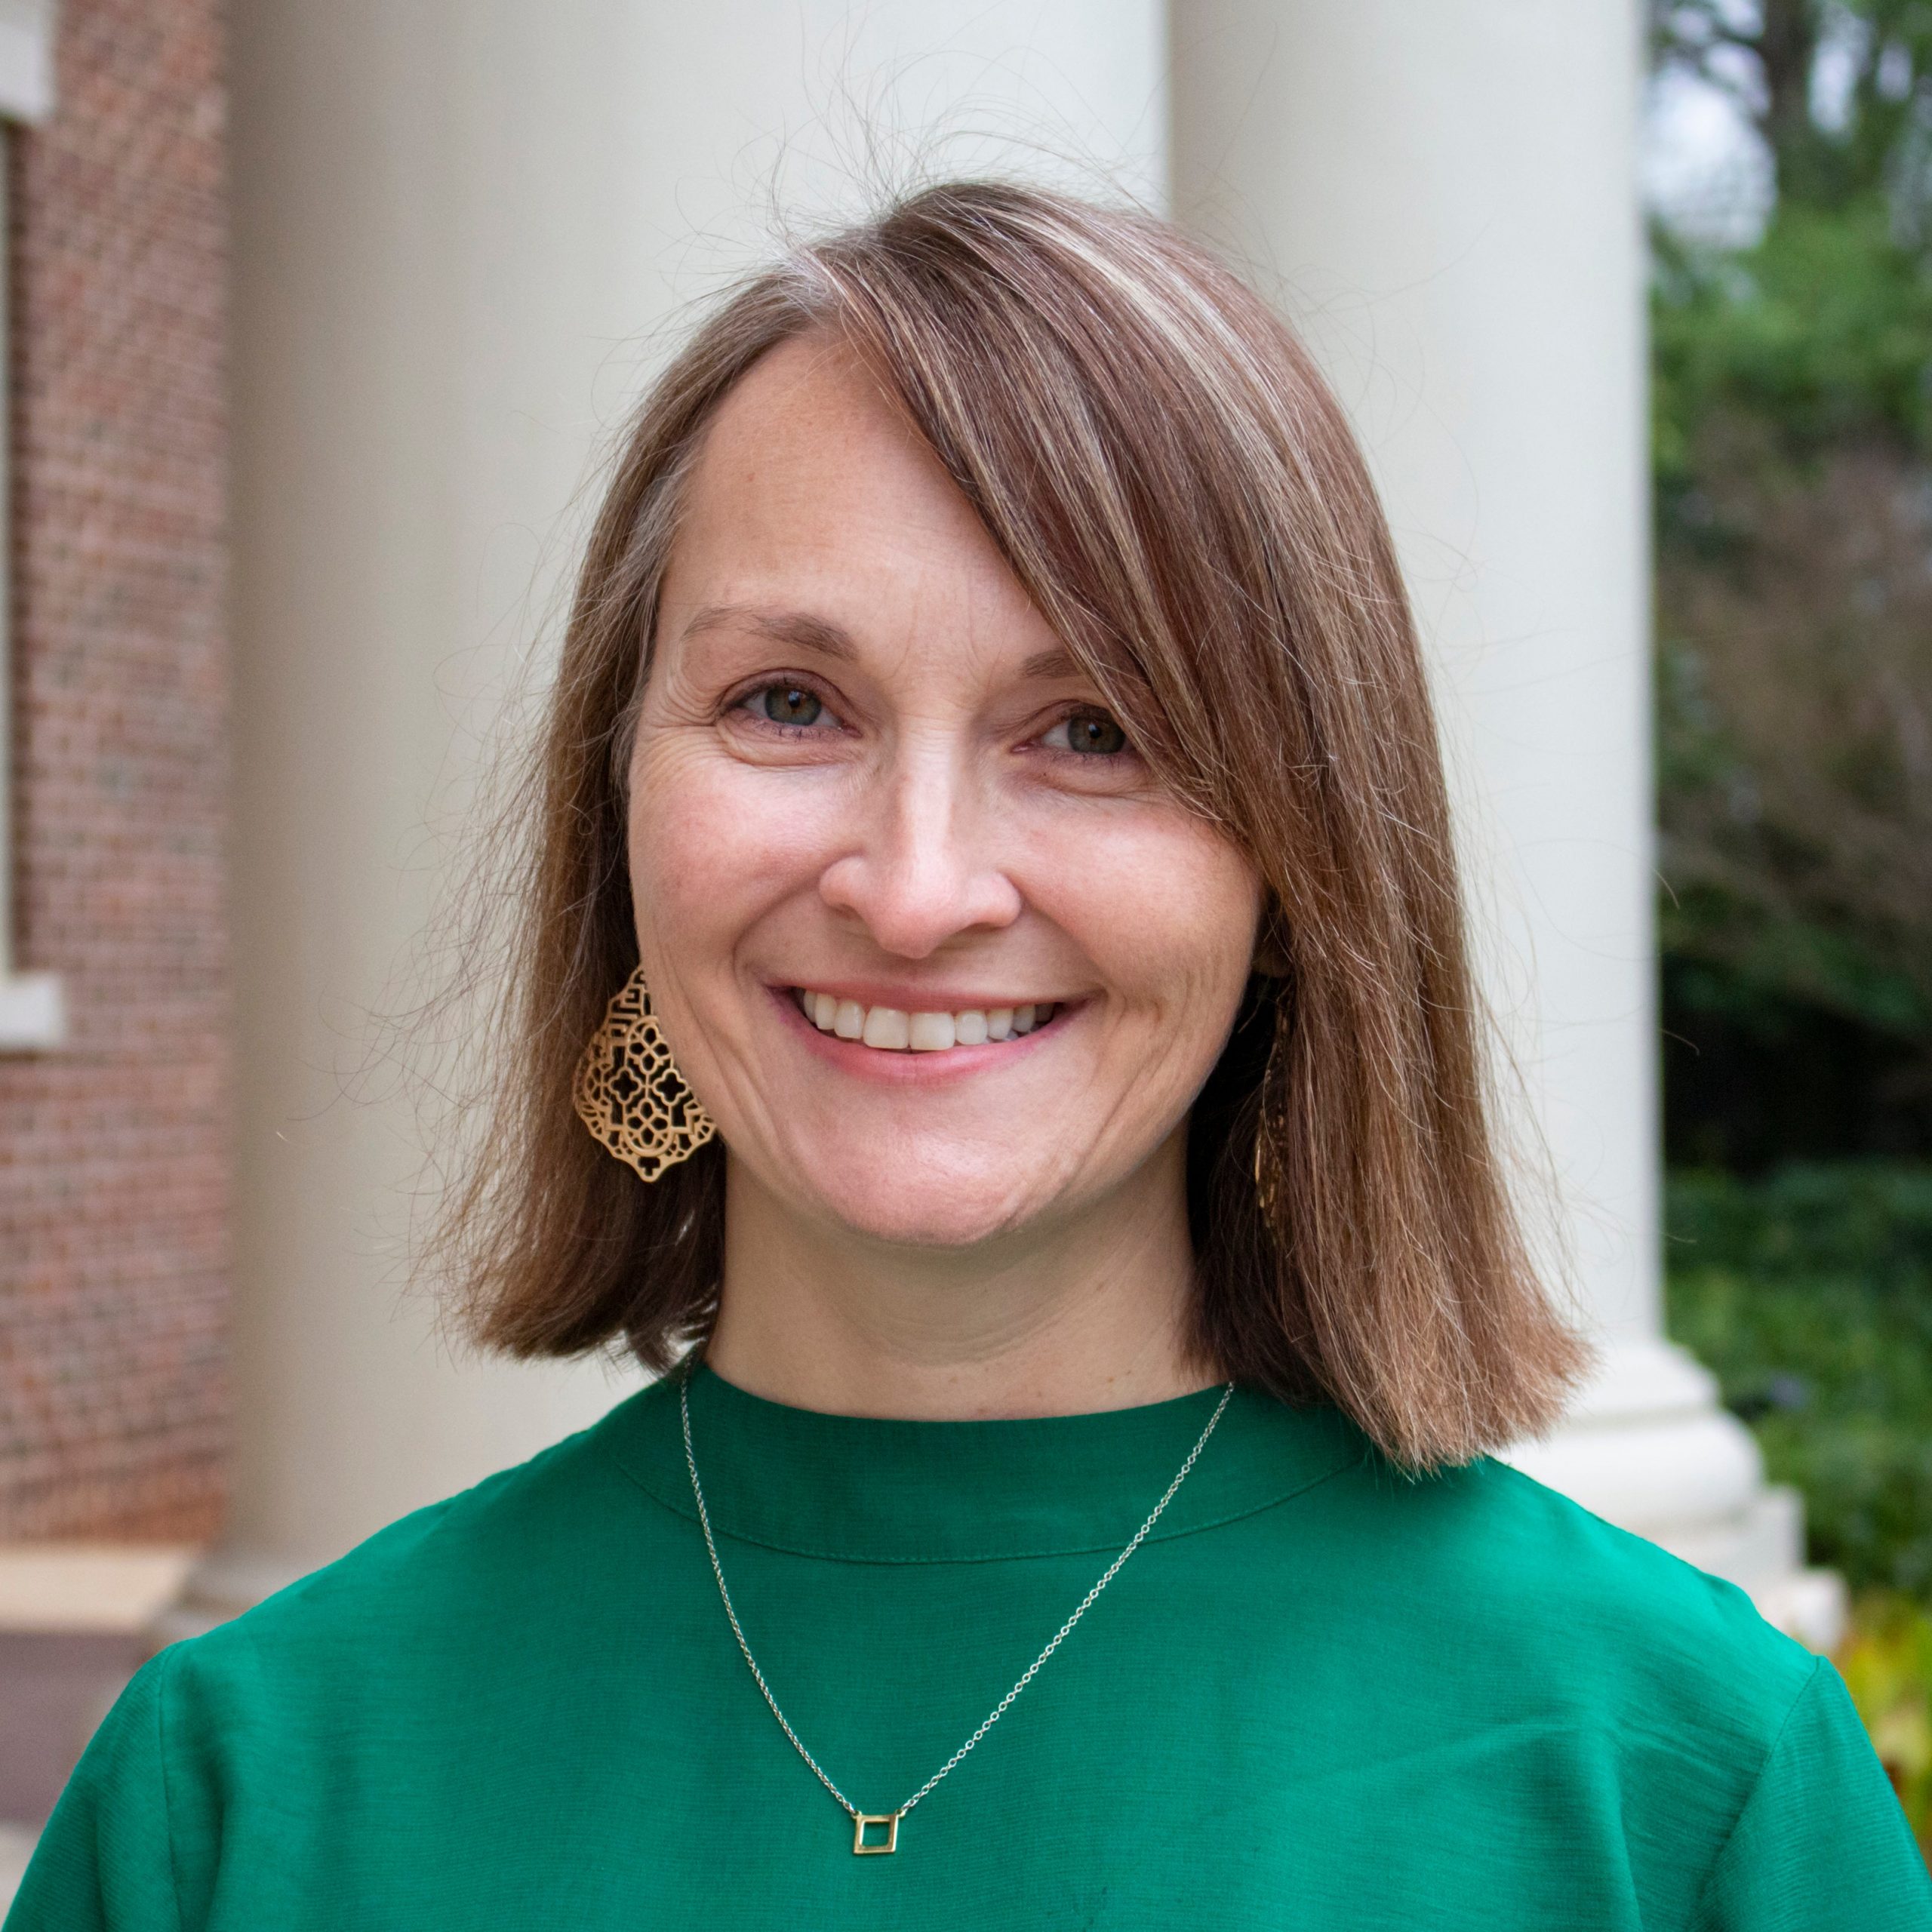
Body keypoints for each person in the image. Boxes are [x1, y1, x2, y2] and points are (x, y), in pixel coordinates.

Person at [9, 181, 1927, 1930]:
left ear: (1298, 860)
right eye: (787, 701)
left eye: (1091, 726)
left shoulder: (1681, 1791)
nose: (917, 890)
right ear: (616, 808)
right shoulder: (235, 1798)